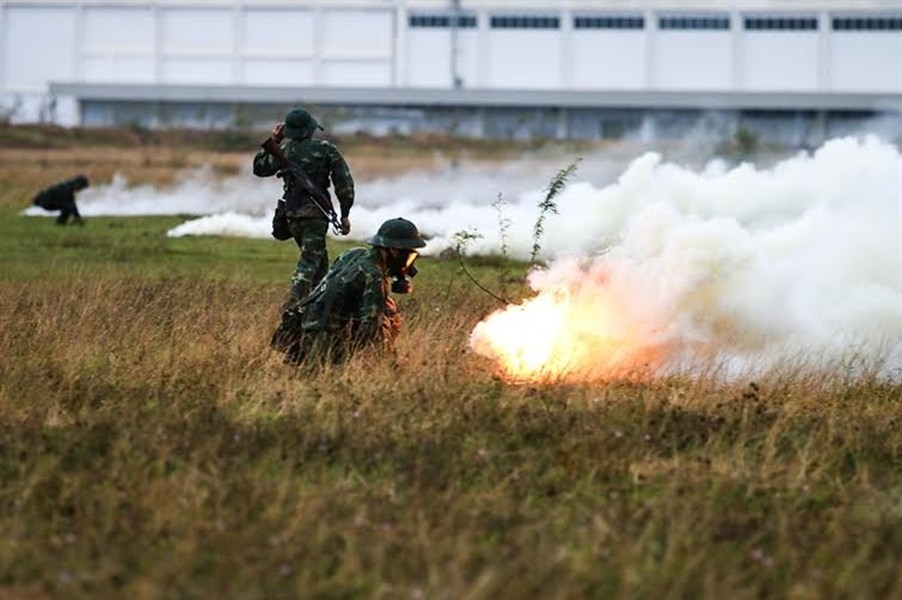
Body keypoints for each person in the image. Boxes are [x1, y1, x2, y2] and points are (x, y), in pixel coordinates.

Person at [270, 217, 426, 367]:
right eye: (408, 254)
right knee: (386, 315)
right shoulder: (373, 276)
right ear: (393, 250)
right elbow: (373, 328)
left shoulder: (353, 254)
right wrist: (390, 364)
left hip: (305, 328)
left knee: (388, 306)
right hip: (325, 342)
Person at [253, 107, 355, 306]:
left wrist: (275, 140)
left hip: (292, 216)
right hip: (315, 216)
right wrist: (345, 214)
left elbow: (259, 168)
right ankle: (292, 306)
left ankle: (320, 305)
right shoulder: (326, 149)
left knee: (320, 263)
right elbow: (344, 184)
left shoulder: (284, 150)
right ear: (310, 128)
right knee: (310, 261)